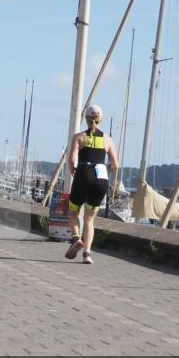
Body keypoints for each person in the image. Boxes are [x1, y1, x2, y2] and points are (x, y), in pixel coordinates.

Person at [64, 104, 119, 265]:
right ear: (100, 120)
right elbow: (115, 165)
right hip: (101, 178)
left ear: (86, 119)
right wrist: (104, 168)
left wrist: (73, 168)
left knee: (73, 212)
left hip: (83, 174)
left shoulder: (79, 137)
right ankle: (87, 254)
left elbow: (72, 159)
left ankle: (75, 238)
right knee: (89, 219)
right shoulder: (107, 139)